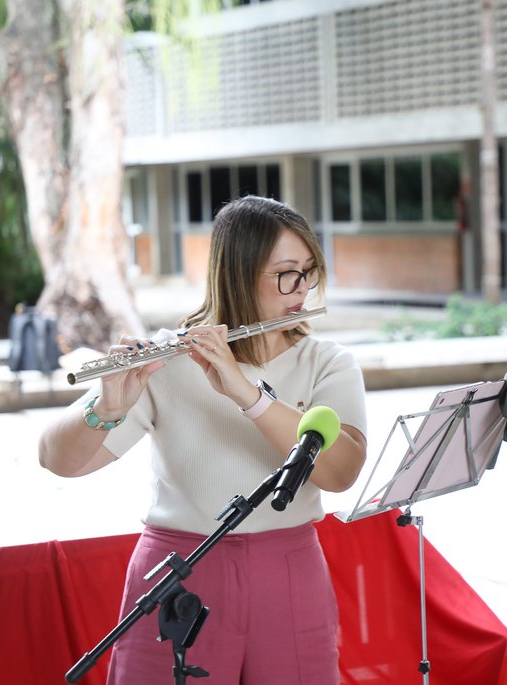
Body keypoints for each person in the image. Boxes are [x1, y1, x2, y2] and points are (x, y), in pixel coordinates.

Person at [38, 195, 368, 685]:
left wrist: (246, 393)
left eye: (308, 271)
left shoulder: (327, 363)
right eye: (285, 273)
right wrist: (106, 408)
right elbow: (56, 459)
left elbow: (340, 472)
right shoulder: (169, 359)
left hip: (289, 571)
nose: (301, 288)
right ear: (237, 272)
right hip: (180, 572)